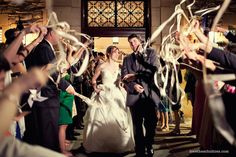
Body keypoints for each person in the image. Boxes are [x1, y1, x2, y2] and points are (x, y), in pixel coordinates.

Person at [23, 27, 75, 151]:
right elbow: (49, 71)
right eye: (59, 34)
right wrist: (65, 85)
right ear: (52, 33)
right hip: (46, 94)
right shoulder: (44, 48)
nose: (61, 37)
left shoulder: (46, 47)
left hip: (45, 93)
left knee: (47, 128)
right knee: (48, 128)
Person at [82, 45, 134, 154]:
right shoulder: (102, 66)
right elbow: (94, 79)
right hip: (104, 93)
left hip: (116, 93)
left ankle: (119, 144)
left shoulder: (120, 66)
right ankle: (99, 144)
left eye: (118, 52)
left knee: (118, 116)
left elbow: (123, 79)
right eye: (115, 52)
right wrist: (96, 88)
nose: (117, 54)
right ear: (109, 53)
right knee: (101, 117)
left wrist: (121, 84)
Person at [121, 34, 160, 157]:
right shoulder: (127, 59)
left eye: (134, 41)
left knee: (151, 123)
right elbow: (124, 78)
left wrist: (135, 76)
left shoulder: (151, 53)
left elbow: (153, 70)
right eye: (130, 43)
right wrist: (133, 86)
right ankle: (140, 150)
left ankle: (149, 145)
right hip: (134, 97)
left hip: (149, 96)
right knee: (137, 126)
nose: (132, 44)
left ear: (140, 41)